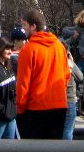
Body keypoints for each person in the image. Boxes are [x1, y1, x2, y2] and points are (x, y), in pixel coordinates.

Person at [14, 8, 70, 140]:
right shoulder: (59, 46)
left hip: (36, 108)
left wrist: (20, 109)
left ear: (33, 26)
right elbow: (66, 75)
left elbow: (23, 83)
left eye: (24, 25)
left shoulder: (28, 50)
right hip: (59, 106)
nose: (23, 29)